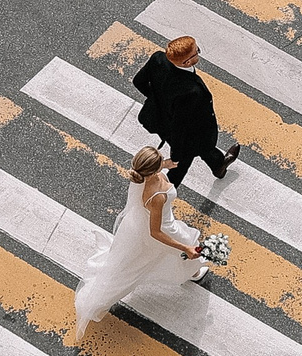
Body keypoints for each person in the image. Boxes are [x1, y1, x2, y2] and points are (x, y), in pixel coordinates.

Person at [70, 147, 207, 340]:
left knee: (180, 249)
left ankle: (193, 271)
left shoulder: (144, 177)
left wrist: (165, 165)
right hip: (165, 230)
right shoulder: (156, 196)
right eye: (160, 161)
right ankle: (93, 302)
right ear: (152, 170)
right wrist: (184, 248)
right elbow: (156, 232)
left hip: (153, 224)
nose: (163, 160)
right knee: (182, 247)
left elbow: (153, 171)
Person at [133, 35, 242, 188]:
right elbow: (179, 127)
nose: (198, 52)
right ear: (187, 62)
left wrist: (160, 100)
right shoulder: (191, 92)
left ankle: (218, 165)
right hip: (185, 136)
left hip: (160, 120)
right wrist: (176, 156)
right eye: (196, 51)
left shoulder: (158, 58)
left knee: (205, 148)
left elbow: (138, 81)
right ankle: (161, 195)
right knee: (180, 166)